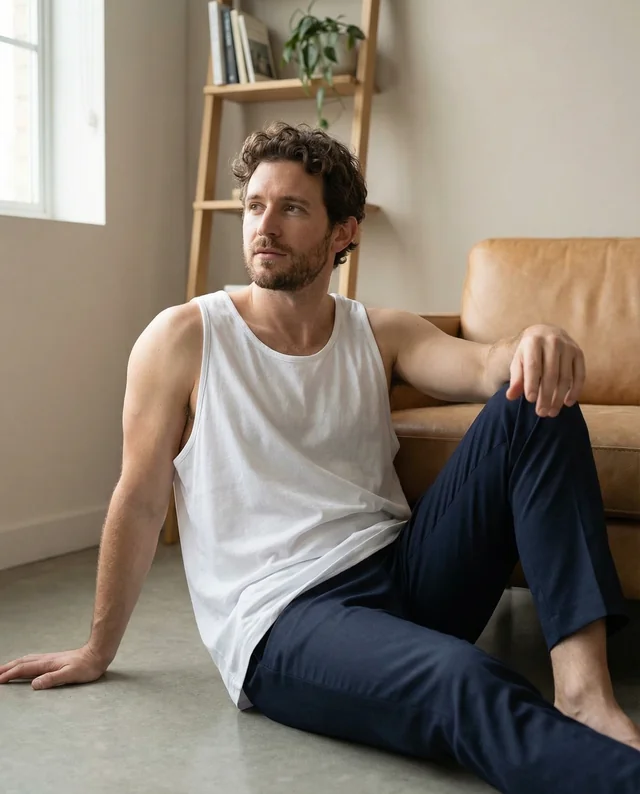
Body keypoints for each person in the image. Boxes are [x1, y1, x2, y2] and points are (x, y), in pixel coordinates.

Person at [1, 122, 638, 793]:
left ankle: (583, 692)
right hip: (287, 618)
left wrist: (536, 340)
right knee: (464, 680)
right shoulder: (184, 338)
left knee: (535, 399)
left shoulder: (378, 332)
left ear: (343, 234)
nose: (264, 226)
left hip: (404, 573)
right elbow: (138, 499)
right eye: (255, 206)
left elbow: (486, 365)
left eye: (292, 208)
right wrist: (98, 649)